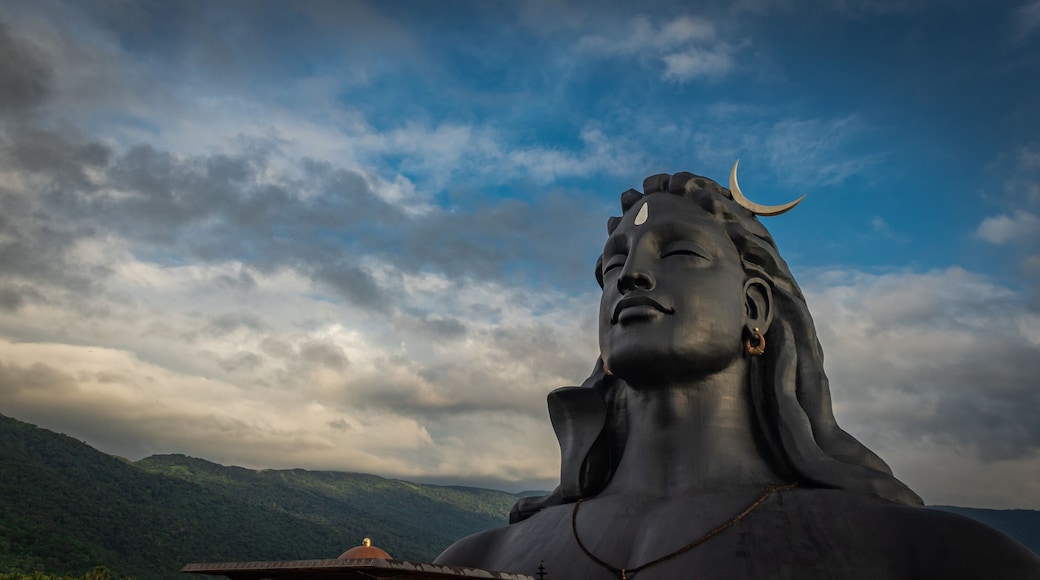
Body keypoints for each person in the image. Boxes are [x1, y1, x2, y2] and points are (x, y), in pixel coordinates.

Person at [435, 170, 1040, 579]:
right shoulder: (483, 560)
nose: (630, 276)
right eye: (613, 264)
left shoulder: (933, 558)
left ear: (754, 307)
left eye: (678, 252)